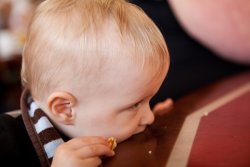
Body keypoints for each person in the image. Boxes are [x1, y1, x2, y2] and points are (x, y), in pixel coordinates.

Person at [0, 0, 172, 166]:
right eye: (135, 105)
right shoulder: (8, 146)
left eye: (147, 101)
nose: (149, 117)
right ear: (65, 109)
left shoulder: (92, 114)